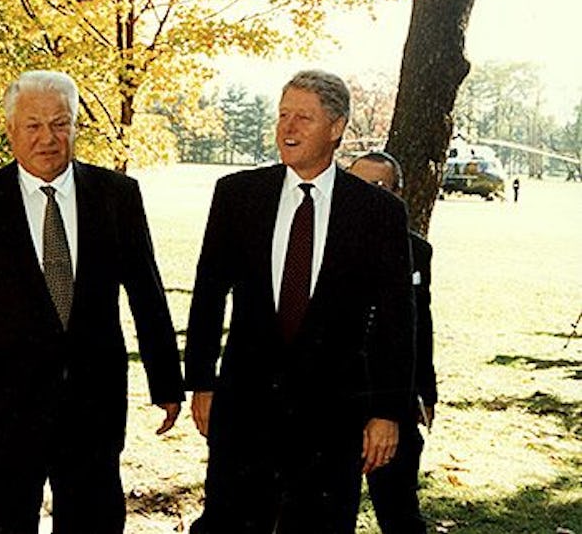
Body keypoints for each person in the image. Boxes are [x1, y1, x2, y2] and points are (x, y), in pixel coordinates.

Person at [0, 70, 184, 534]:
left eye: (60, 124)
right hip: (3, 415)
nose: (48, 138)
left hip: (92, 412)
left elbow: (147, 292)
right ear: (10, 130)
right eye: (33, 126)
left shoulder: (116, 196)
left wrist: (166, 382)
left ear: (76, 126)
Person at [184, 69, 415, 534]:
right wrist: (202, 383)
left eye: (303, 118)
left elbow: (397, 320)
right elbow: (209, 293)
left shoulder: (377, 212)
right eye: (283, 115)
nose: (287, 128)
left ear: (336, 127)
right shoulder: (238, 195)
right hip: (245, 407)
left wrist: (388, 412)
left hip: (332, 418)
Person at [347, 151, 436, 534]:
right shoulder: (319, 243)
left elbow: (420, 324)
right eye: (357, 186)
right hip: (337, 397)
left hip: (393, 394)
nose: (366, 196)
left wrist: (424, 392)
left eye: (378, 187)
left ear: (397, 195)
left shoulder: (416, 250)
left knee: (399, 509)